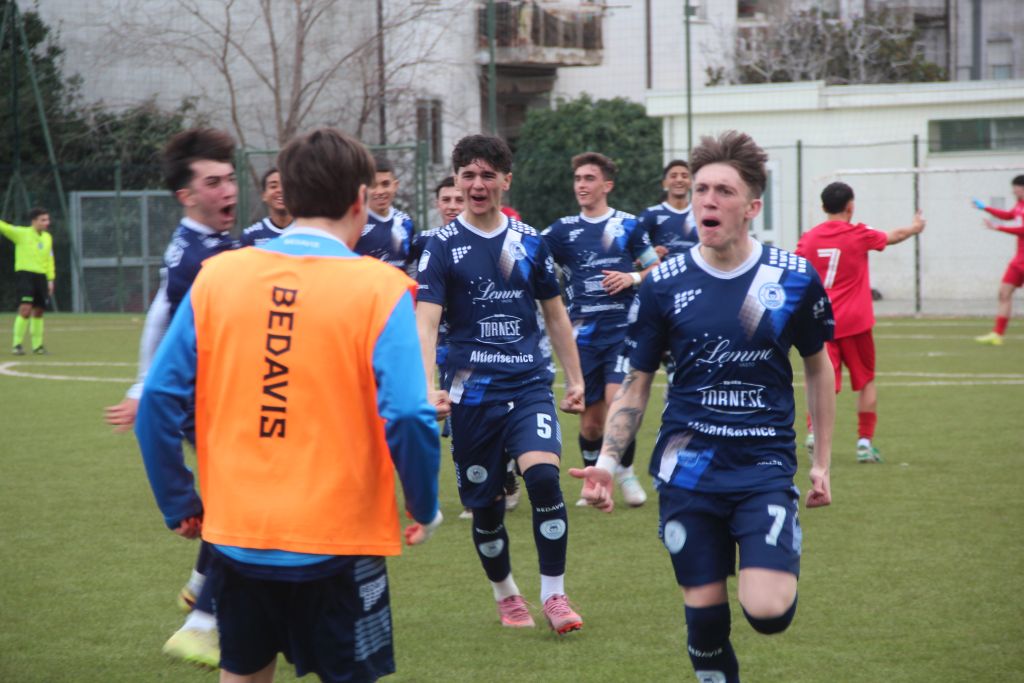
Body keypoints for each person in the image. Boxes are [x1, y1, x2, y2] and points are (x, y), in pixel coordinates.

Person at [135, 127, 442, 683]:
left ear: (289, 196)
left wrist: (178, 500)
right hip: (340, 540)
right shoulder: (381, 287)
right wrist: (423, 504)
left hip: (238, 535)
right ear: (359, 200)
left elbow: (157, 397)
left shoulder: (218, 275)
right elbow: (407, 413)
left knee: (244, 672)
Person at [572, 131, 836, 683]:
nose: (708, 200)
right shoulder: (663, 284)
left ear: (752, 207)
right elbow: (637, 383)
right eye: (701, 189)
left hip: (762, 467)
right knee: (706, 620)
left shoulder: (791, 277)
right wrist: (607, 461)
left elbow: (818, 366)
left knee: (768, 613)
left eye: (723, 191)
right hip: (686, 470)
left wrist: (821, 462)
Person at [415, 134, 587, 634]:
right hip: (471, 397)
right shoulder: (440, 247)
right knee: (486, 510)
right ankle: (506, 593)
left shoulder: (529, 242)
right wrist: (427, 386)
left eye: (487, 175)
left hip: (528, 385)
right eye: (468, 175)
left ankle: (554, 595)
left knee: (544, 478)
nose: (477, 184)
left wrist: (575, 379)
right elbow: (426, 323)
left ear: (505, 181)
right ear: (456, 180)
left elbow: (555, 315)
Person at [103, 128, 239, 666]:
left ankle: (201, 587)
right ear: (187, 195)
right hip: (209, 408)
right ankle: (201, 623)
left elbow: (160, 309)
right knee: (242, 510)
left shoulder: (207, 244)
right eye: (213, 182)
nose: (228, 190)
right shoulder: (197, 260)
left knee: (235, 505)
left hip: (220, 403)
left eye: (230, 178)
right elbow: (165, 314)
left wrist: (142, 383)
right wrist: (146, 386)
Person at [542, 152, 659, 508]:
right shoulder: (562, 231)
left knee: (617, 403)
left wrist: (632, 276)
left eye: (589, 178)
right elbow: (529, 256)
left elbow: (656, 268)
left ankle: (626, 473)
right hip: (581, 337)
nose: (581, 185)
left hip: (622, 331)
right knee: (591, 424)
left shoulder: (628, 225)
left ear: (607, 185)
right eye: (578, 178)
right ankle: (593, 475)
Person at [795, 182, 924, 464]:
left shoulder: (809, 239)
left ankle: (814, 430)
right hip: (856, 323)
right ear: (850, 206)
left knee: (821, 380)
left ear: (823, 207)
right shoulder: (859, 234)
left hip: (823, 323)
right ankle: (864, 443)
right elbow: (894, 236)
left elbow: (796, 270)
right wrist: (915, 228)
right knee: (866, 382)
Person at [972, 176, 1024, 345]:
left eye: (1016, 188)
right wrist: (985, 208)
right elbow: (1009, 215)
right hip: (1018, 260)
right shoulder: (1019, 205)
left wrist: (998, 228)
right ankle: (997, 334)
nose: (1013, 191)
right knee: (1003, 293)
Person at [1, 208, 55, 355]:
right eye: (43, 220)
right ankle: (17, 344)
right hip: (25, 275)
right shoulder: (21, 233)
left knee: (39, 311)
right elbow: (4, 227)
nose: (47, 223)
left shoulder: (47, 238)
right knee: (25, 309)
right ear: (34, 221)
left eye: (47, 220)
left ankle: (37, 346)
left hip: (41, 277)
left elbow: (49, 259)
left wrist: (50, 279)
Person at [354, 157, 415, 269]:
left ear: (395, 186)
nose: (380, 191)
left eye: (385, 184)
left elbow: (411, 265)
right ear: (364, 188)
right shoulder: (354, 222)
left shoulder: (405, 222)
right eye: (373, 185)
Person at [638, 160, 699, 260]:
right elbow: (634, 252)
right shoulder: (650, 214)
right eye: (673, 176)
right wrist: (650, 257)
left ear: (691, 183)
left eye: (684, 176)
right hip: (663, 269)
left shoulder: (701, 213)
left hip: (695, 270)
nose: (679, 180)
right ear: (664, 183)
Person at [239, 167, 294, 246]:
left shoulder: (306, 231)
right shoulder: (251, 236)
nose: (280, 190)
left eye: (285, 185)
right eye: (273, 186)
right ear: (263, 195)